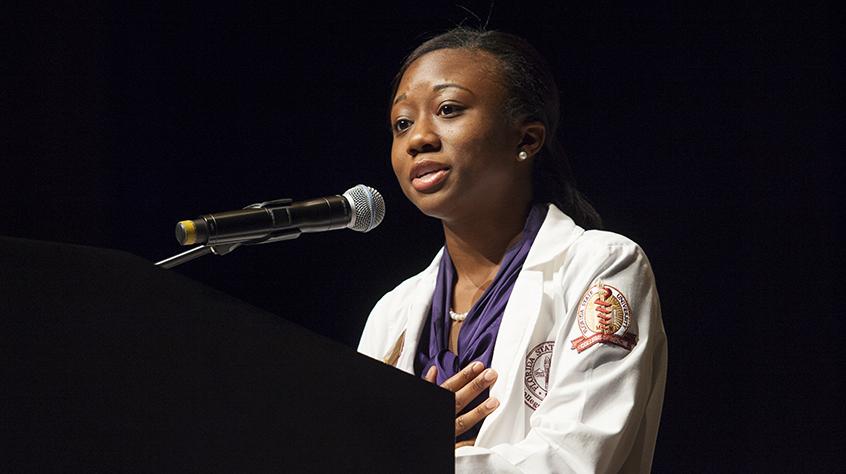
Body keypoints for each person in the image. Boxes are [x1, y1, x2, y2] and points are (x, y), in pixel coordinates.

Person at [358, 26, 667, 473]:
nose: (418, 138)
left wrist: (417, 454)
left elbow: (574, 459)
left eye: (448, 109)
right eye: (402, 122)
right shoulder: (393, 313)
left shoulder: (600, 266)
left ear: (527, 139)